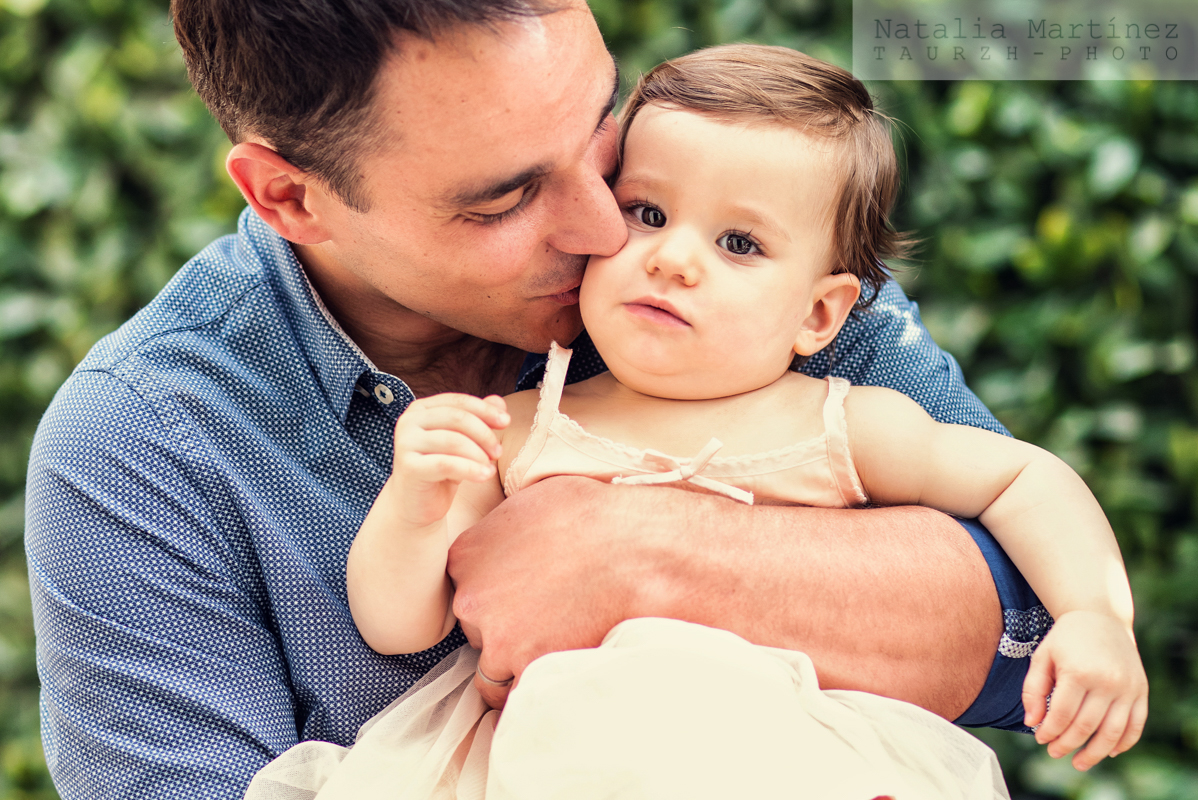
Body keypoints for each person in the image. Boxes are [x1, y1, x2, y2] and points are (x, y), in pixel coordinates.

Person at [25, 1, 1063, 797]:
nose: (610, 227)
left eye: (599, 122)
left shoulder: (736, 265)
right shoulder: (142, 444)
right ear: (291, 196)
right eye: (507, 197)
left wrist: (654, 556)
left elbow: (1035, 627)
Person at [264, 44, 1142, 798]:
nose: (674, 258)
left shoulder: (842, 424)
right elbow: (398, 625)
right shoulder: (523, 426)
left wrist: (1094, 616)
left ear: (820, 315)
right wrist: (416, 502)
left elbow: (1022, 476)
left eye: (738, 244)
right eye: (647, 213)